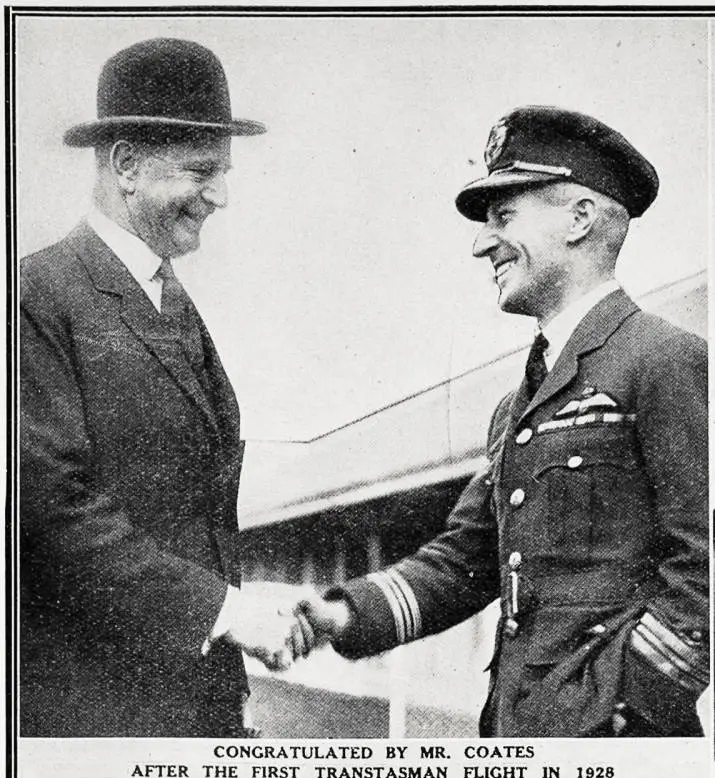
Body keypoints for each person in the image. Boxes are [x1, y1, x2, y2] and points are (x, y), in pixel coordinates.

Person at [297, 106, 709, 737]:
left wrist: (626, 704)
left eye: (504, 216)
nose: (481, 242)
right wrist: (342, 615)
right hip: (513, 731)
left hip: (617, 741)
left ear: (579, 219)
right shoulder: (515, 407)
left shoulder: (665, 361)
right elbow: (467, 559)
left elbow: (703, 561)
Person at [20, 38, 313, 737]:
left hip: (191, 705)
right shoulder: (35, 294)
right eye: (201, 171)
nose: (220, 195)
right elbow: (49, 509)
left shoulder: (167, 298)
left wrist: (233, 606)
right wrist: (222, 610)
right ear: (126, 165)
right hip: (92, 716)